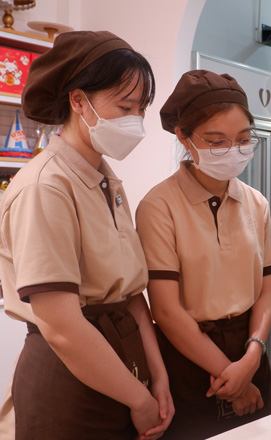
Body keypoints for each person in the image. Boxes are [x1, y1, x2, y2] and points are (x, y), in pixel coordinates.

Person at [0, 31, 173, 439]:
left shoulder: (106, 182)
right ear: (79, 101)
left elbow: (131, 295)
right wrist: (140, 399)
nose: (137, 121)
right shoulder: (45, 186)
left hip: (125, 371)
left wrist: (158, 377)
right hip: (69, 379)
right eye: (125, 106)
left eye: (141, 109)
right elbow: (62, 326)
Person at [135, 70, 271, 439]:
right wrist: (235, 380)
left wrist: (251, 359)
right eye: (217, 142)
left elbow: (265, 292)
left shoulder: (256, 203)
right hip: (191, 361)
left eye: (244, 140)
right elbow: (166, 310)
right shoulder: (159, 206)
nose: (233, 151)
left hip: (250, 350)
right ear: (184, 136)